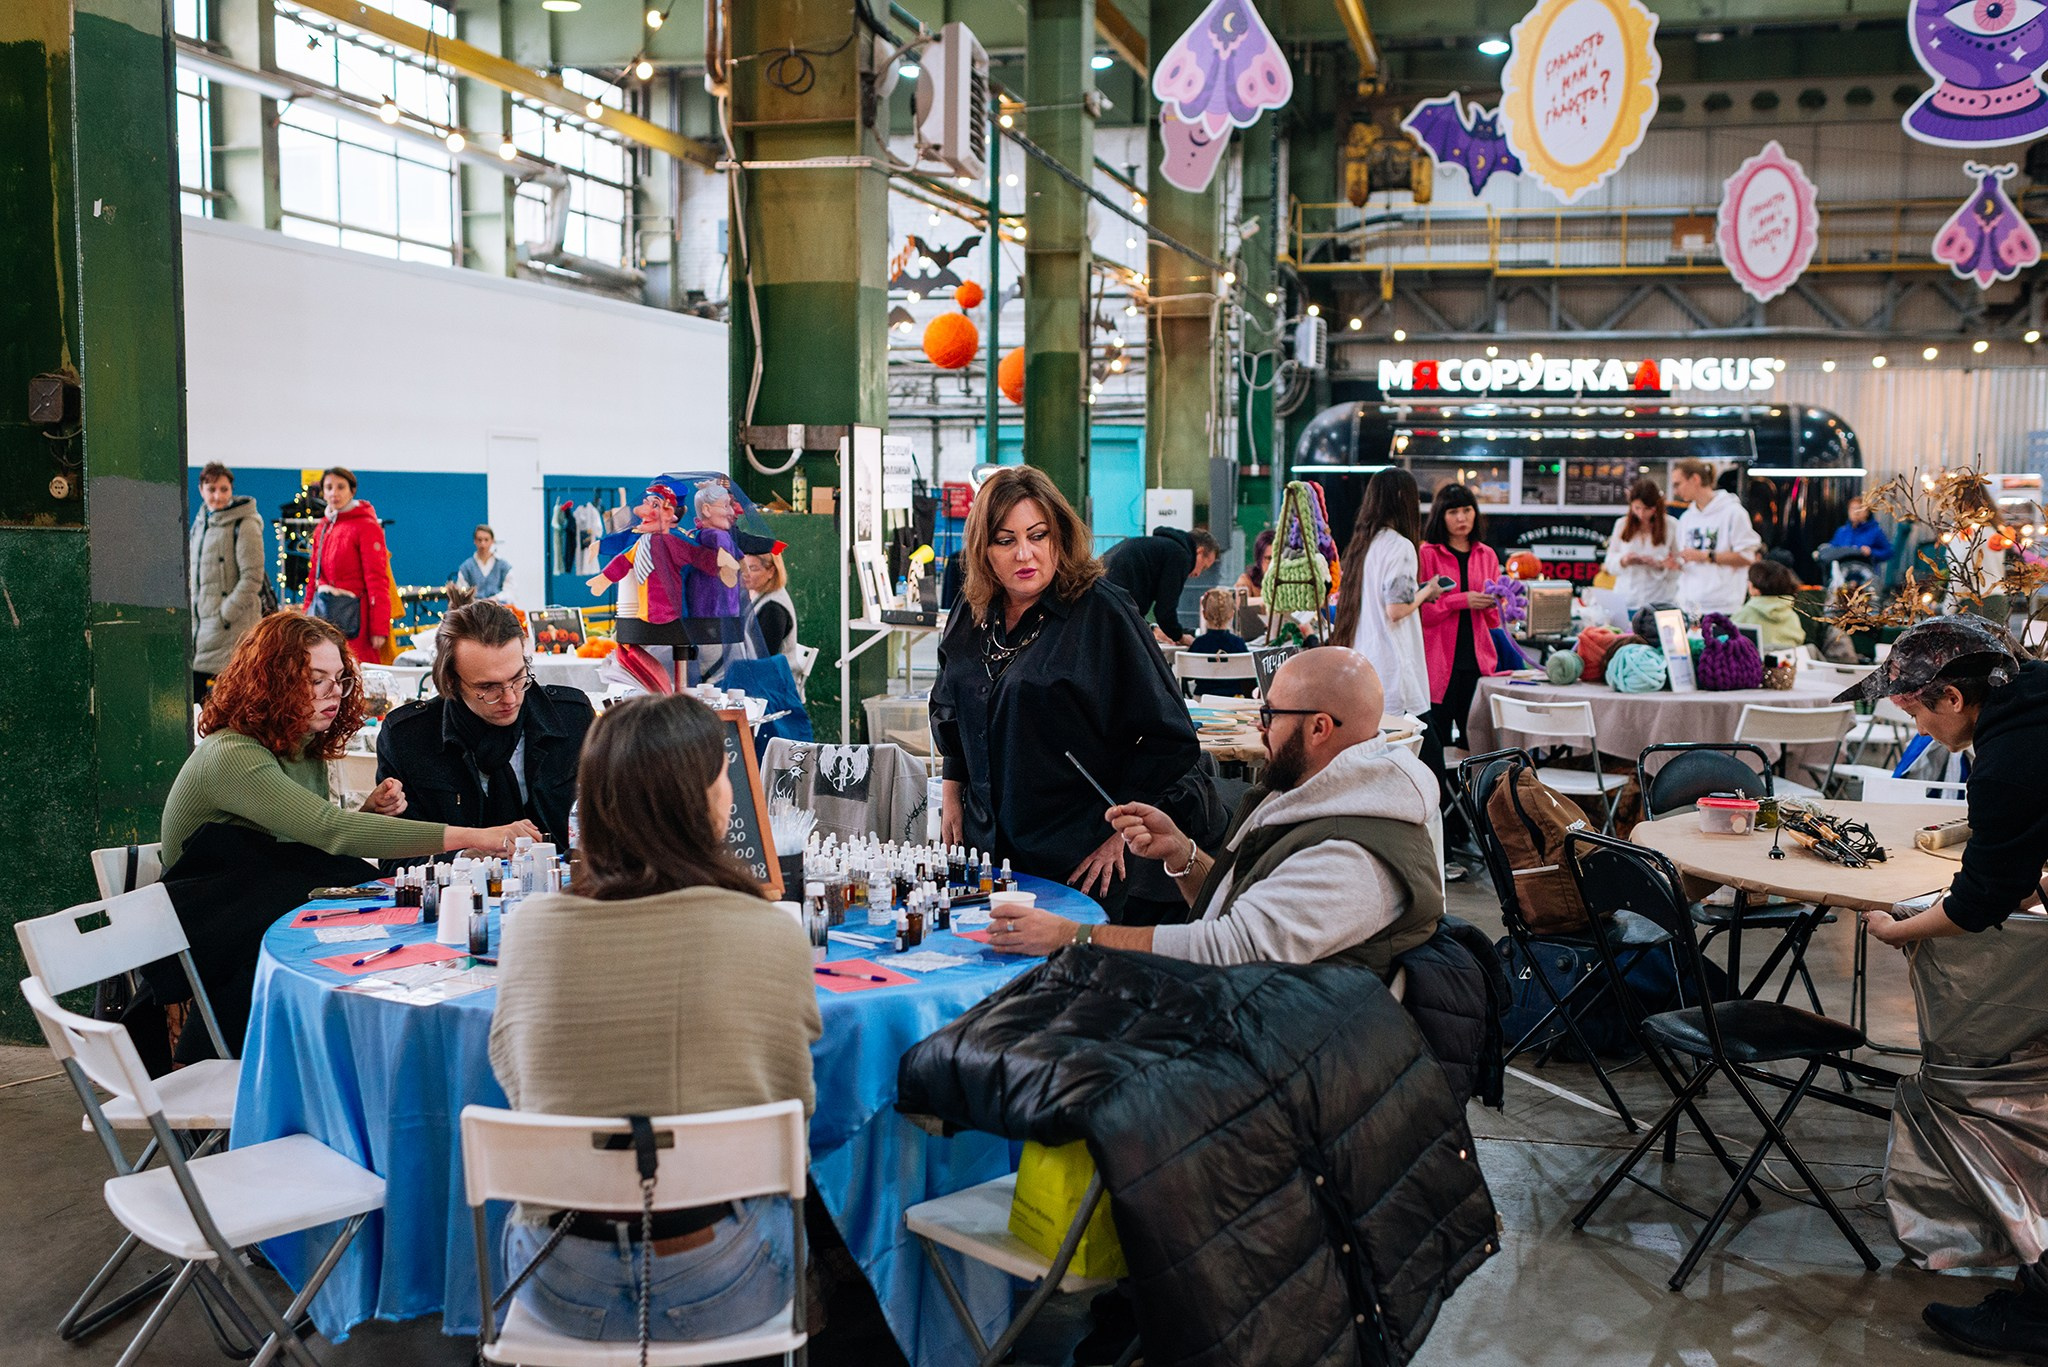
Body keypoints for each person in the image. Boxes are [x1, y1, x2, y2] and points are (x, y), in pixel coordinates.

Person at [489, 693, 819, 1345]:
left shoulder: (527, 932)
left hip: (557, 1277)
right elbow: (794, 1107)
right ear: (702, 800)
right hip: (723, 1276)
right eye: (721, 773)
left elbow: (520, 1085)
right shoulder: (772, 932)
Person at [156, 611, 538, 1048]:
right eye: (314, 679)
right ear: (271, 681)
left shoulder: (302, 747)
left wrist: (367, 811)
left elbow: (300, 838)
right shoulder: (232, 755)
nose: (332, 693)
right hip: (217, 933)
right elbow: (329, 832)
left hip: (263, 908)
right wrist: (478, 835)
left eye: (339, 678)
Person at [1843, 617, 2048, 1363]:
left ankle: (2039, 1315)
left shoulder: (2010, 756)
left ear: (1955, 698)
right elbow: (2015, 870)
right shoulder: (2035, 697)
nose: (1919, 727)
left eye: (1917, 712)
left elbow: (1977, 900)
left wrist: (1900, 929)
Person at [986, 647, 1443, 975]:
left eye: (1271, 715)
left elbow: (1228, 949)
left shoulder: (1351, 852)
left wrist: (1070, 936)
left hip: (1287, 1056)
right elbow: (1243, 917)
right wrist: (1182, 855)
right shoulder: (1324, 797)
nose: (1262, 730)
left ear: (1319, 728)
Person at [929, 465, 1201, 920]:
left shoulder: (1102, 613)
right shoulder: (973, 608)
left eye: (1038, 535)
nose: (1024, 554)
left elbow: (1169, 736)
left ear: (1060, 536)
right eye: (1005, 540)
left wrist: (1120, 833)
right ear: (984, 549)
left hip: (1074, 857)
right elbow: (953, 703)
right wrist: (952, 795)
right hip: (983, 852)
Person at [375, 601, 595, 851]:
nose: (510, 698)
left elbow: (609, 827)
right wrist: (464, 858)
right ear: (450, 681)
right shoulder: (408, 738)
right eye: (487, 688)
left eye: (518, 678)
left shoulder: (571, 717)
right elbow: (394, 854)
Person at [1330, 468, 1438, 722]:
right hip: (1395, 671)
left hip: (1365, 662)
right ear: (1402, 497)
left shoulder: (1364, 544)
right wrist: (1429, 591)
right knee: (1424, 753)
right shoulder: (1401, 546)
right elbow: (1397, 609)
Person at [1418, 483, 1503, 754]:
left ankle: (1474, 797)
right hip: (1438, 664)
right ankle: (1442, 798)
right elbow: (1424, 613)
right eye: (1453, 511)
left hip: (1479, 663)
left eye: (1467, 510)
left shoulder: (1487, 554)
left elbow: (1493, 621)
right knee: (1438, 744)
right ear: (1440, 516)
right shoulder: (1427, 554)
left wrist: (1497, 603)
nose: (1462, 518)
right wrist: (1462, 600)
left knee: (1477, 744)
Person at [189, 461, 267, 698]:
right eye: (211, 489)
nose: (218, 496)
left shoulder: (245, 524)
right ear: (201, 490)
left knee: (227, 698)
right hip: (200, 626)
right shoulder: (201, 522)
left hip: (230, 627)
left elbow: (252, 577)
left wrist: (226, 613)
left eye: (224, 489)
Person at [302, 466, 394, 663]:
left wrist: (379, 627)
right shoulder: (323, 527)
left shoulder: (366, 526)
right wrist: (305, 614)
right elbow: (313, 577)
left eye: (340, 487)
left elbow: (377, 579)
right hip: (324, 615)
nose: (334, 492)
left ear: (352, 491)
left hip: (357, 621)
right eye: (329, 487)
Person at [1670, 457, 1761, 619]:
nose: (1675, 491)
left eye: (1678, 484)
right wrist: (1676, 564)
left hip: (1723, 606)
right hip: (1688, 605)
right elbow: (1689, 559)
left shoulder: (1733, 513)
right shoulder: (1686, 518)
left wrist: (1706, 556)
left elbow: (1747, 557)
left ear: (1695, 479)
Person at [1101, 525, 1221, 645]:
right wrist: (1180, 637)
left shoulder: (1161, 547)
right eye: (1204, 567)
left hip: (1104, 590)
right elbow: (1165, 611)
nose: (1198, 574)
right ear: (1199, 552)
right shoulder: (1180, 555)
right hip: (1115, 600)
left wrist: (1153, 628)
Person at [1602, 476, 1681, 613]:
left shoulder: (1671, 525)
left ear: (1656, 506)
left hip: (1660, 601)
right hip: (1627, 599)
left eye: (1647, 509)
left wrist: (1662, 565)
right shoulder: (1621, 525)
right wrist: (1624, 560)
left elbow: (1680, 564)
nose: (1641, 513)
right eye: (1637, 508)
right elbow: (1609, 563)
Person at [739, 550, 804, 675]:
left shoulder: (773, 609)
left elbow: (761, 658)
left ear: (771, 571)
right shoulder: (757, 594)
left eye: (753, 569)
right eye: (743, 568)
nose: (745, 574)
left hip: (774, 686)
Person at [1822, 495, 1893, 596]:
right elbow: (1832, 548)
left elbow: (1889, 552)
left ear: (1867, 512)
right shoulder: (1842, 531)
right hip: (1842, 580)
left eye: (1859, 508)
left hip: (1866, 581)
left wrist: (1871, 552)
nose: (1856, 512)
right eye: (1852, 509)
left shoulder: (1875, 531)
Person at [1732, 559, 1808, 652]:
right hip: (1788, 663)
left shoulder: (1747, 612)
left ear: (1755, 588)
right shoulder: (1791, 614)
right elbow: (1800, 640)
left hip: (1755, 663)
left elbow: (1727, 636)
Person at [453, 524, 512, 602]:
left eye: (486, 540)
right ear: (475, 541)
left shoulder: (504, 566)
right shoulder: (466, 567)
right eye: (479, 540)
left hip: (498, 610)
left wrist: (495, 598)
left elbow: (510, 592)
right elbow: (461, 593)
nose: (483, 544)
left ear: (492, 541)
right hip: (474, 610)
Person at [1236, 528, 1275, 597]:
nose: (1273, 564)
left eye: (1278, 559)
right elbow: (1241, 603)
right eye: (1269, 558)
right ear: (1259, 559)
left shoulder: (1289, 582)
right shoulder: (1246, 581)